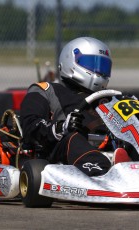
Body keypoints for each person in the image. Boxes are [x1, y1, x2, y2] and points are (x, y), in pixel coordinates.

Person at [20, 37, 115, 177]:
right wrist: (61, 127)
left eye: (103, 66)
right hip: (56, 152)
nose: (98, 71)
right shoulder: (46, 90)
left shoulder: (109, 98)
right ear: (70, 61)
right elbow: (30, 127)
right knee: (73, 138)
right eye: (91, 63)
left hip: (103, 148)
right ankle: (100, 172)